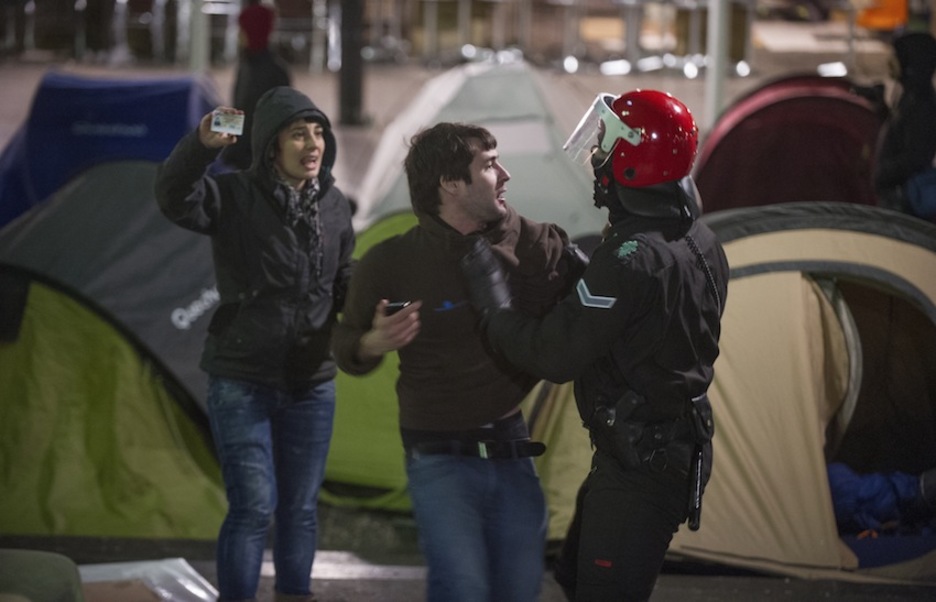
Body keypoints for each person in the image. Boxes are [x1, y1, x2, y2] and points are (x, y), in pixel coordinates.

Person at [460, 90, 729, 601]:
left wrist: (494, 306)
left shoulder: (630, 257)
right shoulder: (699, 238)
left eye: (607, 142)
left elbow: (554, 355)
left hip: (640, 468)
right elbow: (650, 319)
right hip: (662, 448)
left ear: (635, 158)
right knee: (575, 576)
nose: (598, 155)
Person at [330, 122, 587, 602]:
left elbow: (597, 307)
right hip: (438, 455)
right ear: (450, 184)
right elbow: (344, 342)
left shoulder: (536, 244)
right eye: (488, 165)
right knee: (462, 587)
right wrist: (370, 343)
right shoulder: (391, 261)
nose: (505, 174)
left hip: (511, 447)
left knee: (519, 589)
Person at [154, 86, 355, 602]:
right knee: (252, 508)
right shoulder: (234, 196)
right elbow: (175, 197)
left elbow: (343, 279)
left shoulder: (334, 204)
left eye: (318, 133)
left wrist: (376, 306)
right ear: (271, 146)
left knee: (300, 510)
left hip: (311, 382)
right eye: (298, 134)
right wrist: (201, 146)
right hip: (242, 378)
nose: (313, 144)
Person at [872, 31, 936, 217]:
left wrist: (883, 174)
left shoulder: (921, 105)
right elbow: (899, 137)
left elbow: (916, 157)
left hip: (904, 200)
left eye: (896, 57)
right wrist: (882, 109)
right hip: (898, 193)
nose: (891, 63)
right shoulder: (910, 96)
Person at [223, 0, 292, 170]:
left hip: (256, 158)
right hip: (241, 152)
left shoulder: (273, 72)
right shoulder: (247, 65)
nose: (239, 35)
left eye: (243, 30)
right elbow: (239, 109)